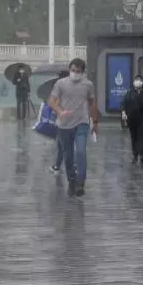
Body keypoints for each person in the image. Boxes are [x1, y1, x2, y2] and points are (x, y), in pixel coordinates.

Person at [49, 58, 99, 196]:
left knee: (81, 151)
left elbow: (92, 103)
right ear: (69, 70)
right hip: (64, 125)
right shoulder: (61, 84)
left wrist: (95, 122)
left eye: (78, 71)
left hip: (81, 123)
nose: (75, 73)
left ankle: (81, 181)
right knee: (68, 156)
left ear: (83, 72)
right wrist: (60, 111)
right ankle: (71, 178)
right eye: (73, 70)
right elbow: (51, 101)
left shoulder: (88, 85)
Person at [121, 75, 143, 164]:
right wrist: (123, 112)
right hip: (131, 119)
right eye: (136, 80)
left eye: (139, 80)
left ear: (142, 82)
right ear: (133, 82)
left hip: (142, 119)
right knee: (134, 137)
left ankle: (142, 155)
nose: (137, 82)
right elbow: (123, 103)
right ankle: (135, 155)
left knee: (141, 137)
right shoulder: (129, 93)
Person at [49, 70, 71, 175]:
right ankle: (59, 165)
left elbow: (55, 104)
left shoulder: (60, 88)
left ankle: (58, 166)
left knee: (61, 144)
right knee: (65, 144)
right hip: (72, 119)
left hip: (62, 119)